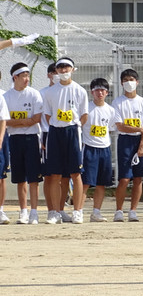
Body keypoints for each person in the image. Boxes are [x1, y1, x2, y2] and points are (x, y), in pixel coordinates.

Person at [42, 57, 88, 224]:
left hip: (72, 132)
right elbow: (47, 115)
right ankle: (54, 212)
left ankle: (78, 211)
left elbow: (84, 114)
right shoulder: (50, 92)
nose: (63, 70)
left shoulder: (80, 90)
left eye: (66, 67)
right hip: (55, 132)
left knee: (75, 173)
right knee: (54, 174)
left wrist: (76, 127)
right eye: (60, 67)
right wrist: (57, 126)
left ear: (73, 69)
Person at [4, 62, 43, 224]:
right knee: (19, 178)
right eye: (24, 76)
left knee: (33, 178)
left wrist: (17, 121)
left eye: (28, 75)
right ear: (15, 77)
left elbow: (36, 119)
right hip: (15, 139)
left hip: (32, 138)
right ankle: (23, 211)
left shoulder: (34, 94)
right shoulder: (6, 97)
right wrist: (24, 121)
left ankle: (34, 212)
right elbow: (5, 121)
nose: (27, 79)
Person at [112, 68, 143, 222]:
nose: (129, 83)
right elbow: (120, 126)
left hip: (140, 141)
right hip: (125, 141)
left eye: (132, 79)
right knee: (124, 179)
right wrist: (138, 129)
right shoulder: (117, 102)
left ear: (137, 82)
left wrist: (142, 145)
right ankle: (119, 210)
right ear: (122, 83)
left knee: (138, 178)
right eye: (126, 80)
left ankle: (133, 210)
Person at [80, 78, 116, 222]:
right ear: (92, 92)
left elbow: (111, 129)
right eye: (97, 90)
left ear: (107, 92)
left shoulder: (110, 110)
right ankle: (79, 210)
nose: (100, 93)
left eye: (103, 90)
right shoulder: (86, 109)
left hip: (105, 149)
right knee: (85, 182)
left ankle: (96, 212)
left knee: (102, 183)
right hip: (89, 148)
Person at [0, 85, 9, 224]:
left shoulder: (2, 95)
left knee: (1, 177)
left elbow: (3, 119)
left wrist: (0, 139)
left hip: (1, 139)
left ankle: (0, 210)